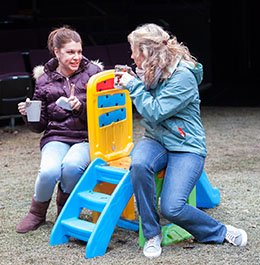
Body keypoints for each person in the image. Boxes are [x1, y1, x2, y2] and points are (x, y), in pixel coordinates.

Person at [116, 23, 247, 258]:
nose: (132, 55)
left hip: (186, 147)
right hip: (156, 140)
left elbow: (155, 110)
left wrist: (133, 85)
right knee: (138, 164)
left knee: (172, 207)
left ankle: (220, 231)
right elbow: (148, 100)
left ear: (147, 52)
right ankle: (152, 233)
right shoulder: (151, 70)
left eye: (134, 50)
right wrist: (133, 78)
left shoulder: (183, 76)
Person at [16, 26, 103, 233]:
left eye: (79, 52)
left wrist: (80, 107)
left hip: (86, 137)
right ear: (57, 52)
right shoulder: (44, 79)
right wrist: (29, 114)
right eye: (70, 52)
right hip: (56, 136)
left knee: (72, 167)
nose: (77, 57)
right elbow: (40, 126)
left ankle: (64, 209)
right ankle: (36, 213)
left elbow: (103, 112)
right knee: (49, 171)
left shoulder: (95, 74)